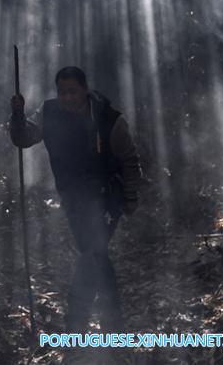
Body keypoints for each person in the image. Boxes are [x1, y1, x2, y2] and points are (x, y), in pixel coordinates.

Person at [10, 66, 141, 332]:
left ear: (85, 89)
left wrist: (129, 197)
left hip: (107, 197)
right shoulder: (49, 113)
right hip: (74, 200)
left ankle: (78, 322)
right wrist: (17, 115)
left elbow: (129, 160)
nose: (67, 98)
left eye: (72, 92)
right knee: (95, 254)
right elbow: (24, 138)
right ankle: (112, 322)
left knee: (92, 253)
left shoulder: (108, 118)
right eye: (62, 92)